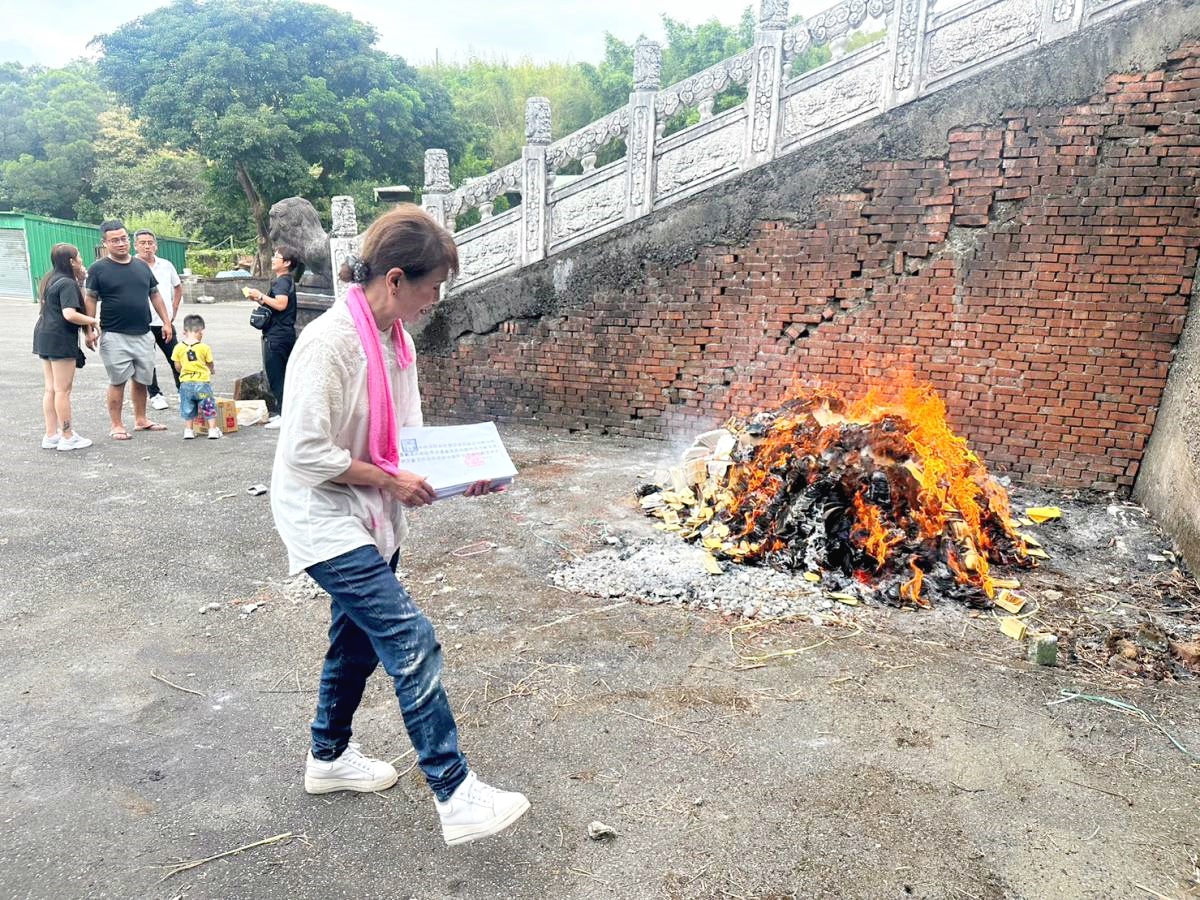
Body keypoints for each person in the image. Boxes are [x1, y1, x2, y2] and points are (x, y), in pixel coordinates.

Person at [270, 205, 529, 846]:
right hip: (323, 516)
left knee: (355, 642)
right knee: (411, 638)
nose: (434, 301)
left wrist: (457, 473)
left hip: (369, 513)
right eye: (431, 286)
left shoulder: (396, 343)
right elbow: (303, 453)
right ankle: (456, 791)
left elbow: (405, 443)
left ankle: (328, 758)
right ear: (394, 279)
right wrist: (388, 481)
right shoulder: (330, 344)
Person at [84, 220, 173, 440]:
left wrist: (166, 321)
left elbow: (155, 295)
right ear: (105, 242)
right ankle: (116, 424)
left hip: (143, 333)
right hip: (114, 334)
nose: (121, 243)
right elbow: (90, 299)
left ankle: (141, 420)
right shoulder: (98, 269)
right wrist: (89, 328)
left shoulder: (141, 265)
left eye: (123, 238)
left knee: (142, 379)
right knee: (118, 380)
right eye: (115, 240)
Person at [32, 243, 98, 451]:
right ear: (71, 261)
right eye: (79, 258)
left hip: (43, 335)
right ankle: (68, 436)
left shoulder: (49, 278)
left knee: (51, 388)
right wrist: (93, 321)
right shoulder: (67, 283)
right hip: (60, 338)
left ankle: (51, 435)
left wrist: (81, 280)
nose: (81, 261)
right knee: (63, 390)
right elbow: (69, 313)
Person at [247, 246, 302, 430]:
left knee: (277, 376)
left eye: (277, 257)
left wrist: (261, 295)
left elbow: (281, 304)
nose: (273, 259)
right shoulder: (285, 281)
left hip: (277, 336)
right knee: (282, 375)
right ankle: (281, 412)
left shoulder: (282, 282)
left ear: (286, 263)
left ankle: (285, 415)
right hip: (283, 334)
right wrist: (259, 299)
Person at [133, 230, 183, 411]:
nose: (147, 246)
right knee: (148, 361)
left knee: (177, 358)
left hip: (164, 322)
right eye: (143, 243)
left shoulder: (166, 265)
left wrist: (173, 310)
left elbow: (177, 287)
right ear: (136, 245)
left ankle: (182, 391)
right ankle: (155, 394)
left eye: (150, 242)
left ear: (156, 245)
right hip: (142, 323)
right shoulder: (131, 265)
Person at [170, 314, 221, 441]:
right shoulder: (204, 347)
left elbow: (177, 366)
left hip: (186, 384)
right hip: (202, 384)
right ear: (201, 332)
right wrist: (211, 369)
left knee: (187, 407)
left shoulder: (178, 347)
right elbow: (210, 363)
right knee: (208, 405)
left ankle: (188, 431)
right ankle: (213, 430)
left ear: (183, 331)